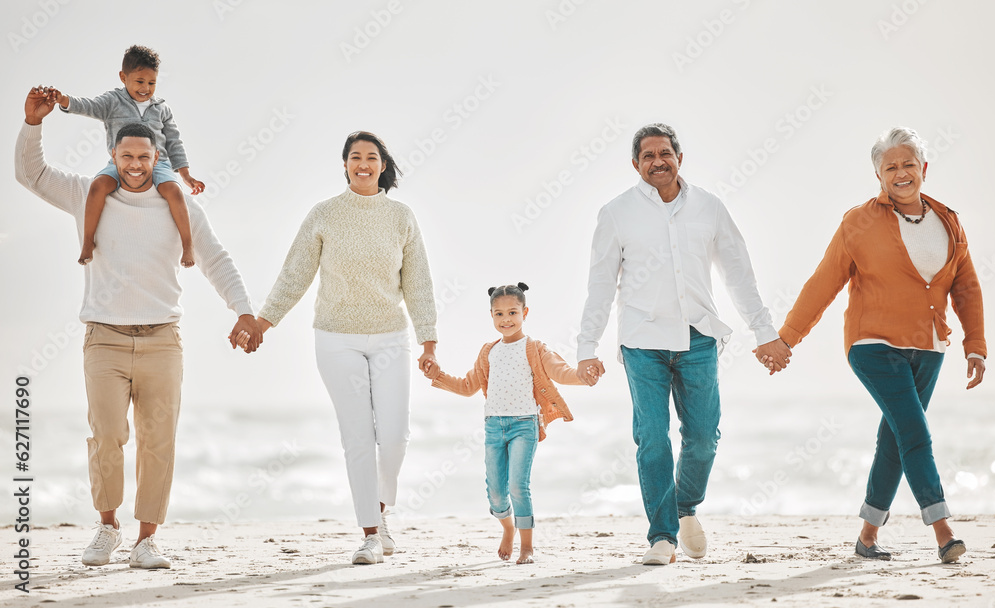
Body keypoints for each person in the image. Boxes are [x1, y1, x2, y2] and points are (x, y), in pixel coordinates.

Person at [15, 87, 262, 569]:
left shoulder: (179, 205)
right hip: (103, 338)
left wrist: (243, 310)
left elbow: (215, 259)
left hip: (162, 341)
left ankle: (147, 539)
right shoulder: (90, 194)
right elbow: (32, 174)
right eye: (126, 155)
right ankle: (107, 528)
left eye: (143, 157)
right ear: (113, 155)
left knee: (158, 439)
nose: (134, 164)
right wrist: (33, 124)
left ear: (156, 158)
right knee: (106, 435)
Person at [575, 123, 792, 565]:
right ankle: (662, 537)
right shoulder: (616, 213)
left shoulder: (709, 208)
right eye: (648, 155)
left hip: (698, 338)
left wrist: (764, 331)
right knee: (652, 438)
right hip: (642, 341)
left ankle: (685, 506)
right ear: (635, 164)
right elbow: (600, 283)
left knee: (703, 439)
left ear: (679, 157)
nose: (658, 161)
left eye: (665, 153)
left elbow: (738, 272)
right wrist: (586, 347)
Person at [771, 126, 986, 564]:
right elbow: (823, 282)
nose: (901, 172)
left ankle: (867, 536)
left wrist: (976, 345)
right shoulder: (858, 222)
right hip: (872, 344)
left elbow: (967, 287)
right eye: (891, 167)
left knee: (896, 437)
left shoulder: (949, 220)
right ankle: (944, 531)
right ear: (878, 175)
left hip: (928, 346)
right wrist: (787, 338)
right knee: (915, 432)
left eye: (909, 164)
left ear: (923, 168)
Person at [252, 131, 437, 565]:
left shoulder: (401, 217)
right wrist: (264, 321)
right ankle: (371, 533)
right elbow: (294, 274)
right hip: (336, 338)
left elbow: (419, 284)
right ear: (345, 165)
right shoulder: (324, 215)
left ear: (383, 165)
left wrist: (429, 341)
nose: (363, 164)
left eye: (371, 157)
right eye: (355, 157)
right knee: (358, 437)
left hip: (391, 336)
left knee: (394, 437)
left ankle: (381, 511)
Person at [422, 283, 594, 564]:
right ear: (491, 316)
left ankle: (527, 547)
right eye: (499, 314)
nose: (506, 319)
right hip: (493, 426)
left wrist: (582, 375)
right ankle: (508, 528)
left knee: (518, 486)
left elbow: (559, 372)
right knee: (496, 492)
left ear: (525, 312)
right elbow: (467, 386)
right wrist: (438, 375)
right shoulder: (488, 351)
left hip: (524, 425)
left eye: (512, 312)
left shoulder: (534, 348)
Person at [51, 44, 205, 267]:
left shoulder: (161, 109)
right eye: (140, 81)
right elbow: (89, 106)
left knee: (174, 191)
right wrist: (64, 100)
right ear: (123, 77)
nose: (146, 88)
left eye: (152, 83)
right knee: (98, 186)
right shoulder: (113, 101)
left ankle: (187, 245)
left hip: (157, 164)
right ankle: (87, 242)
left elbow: (174, 141)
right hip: (120, 164)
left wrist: (186, 174)